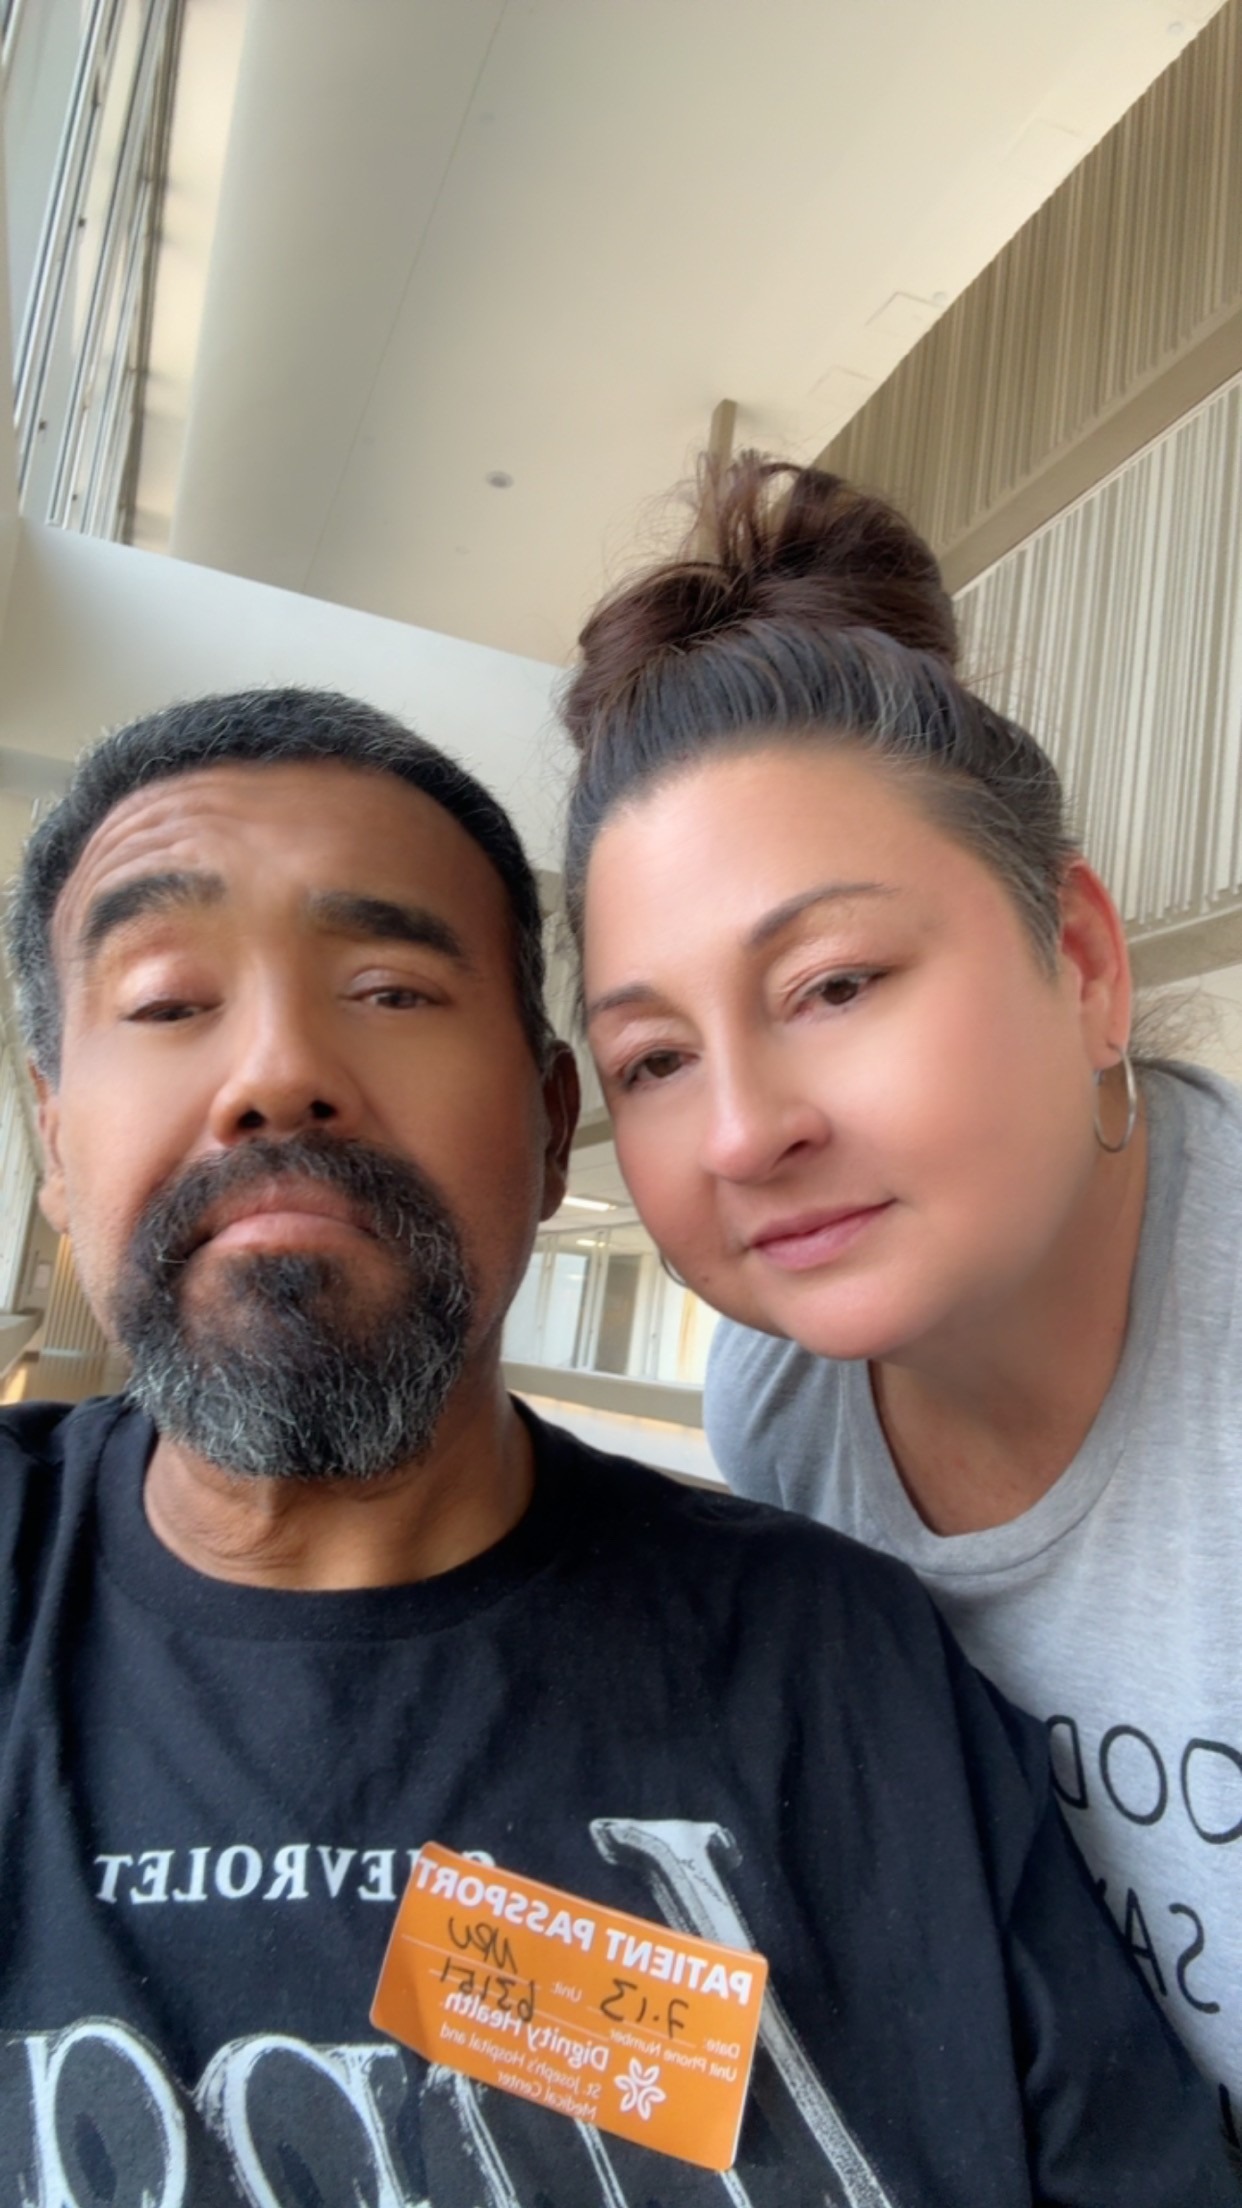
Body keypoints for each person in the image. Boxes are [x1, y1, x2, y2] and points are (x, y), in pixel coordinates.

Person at [0, 687, 1233, 2208]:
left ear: (546, 1123)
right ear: (55, 1144)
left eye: (390, 988)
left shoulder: (847, 1662)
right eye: (166, 1001)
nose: (275, 1070)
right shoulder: (796, 1409)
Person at [561, 453, 1242, 2148]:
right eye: (652, 1058)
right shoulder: (782, 1405)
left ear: (1079, 962)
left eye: (833, 983)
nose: (743, 1133)